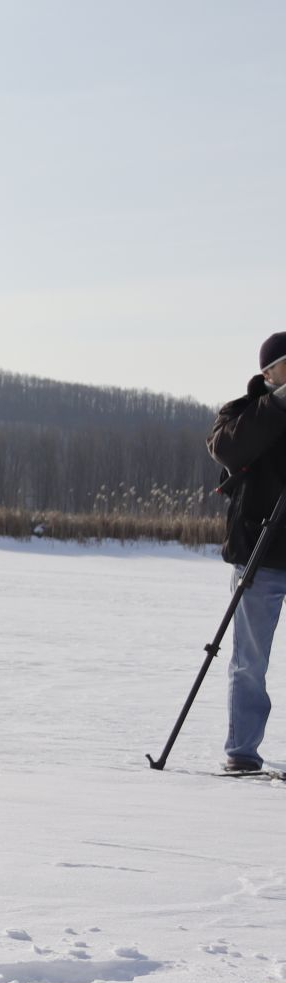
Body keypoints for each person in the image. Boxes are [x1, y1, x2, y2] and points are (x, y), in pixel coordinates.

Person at [208, 330, 286, 775]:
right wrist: (275, 407)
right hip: (259, 550)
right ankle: (242, 751)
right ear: (269, 372)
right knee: (250, 660)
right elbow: (225, 449)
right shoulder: (243, 411)